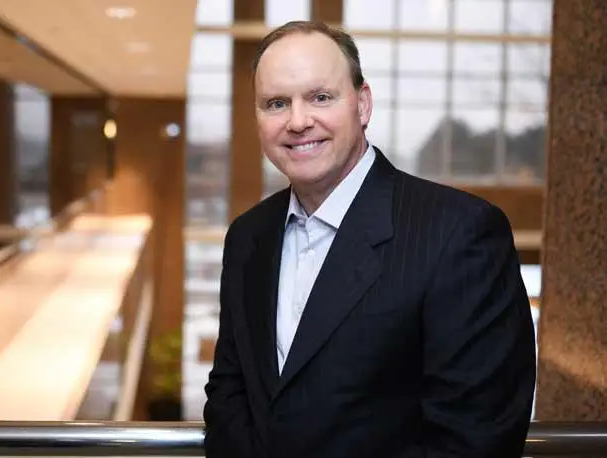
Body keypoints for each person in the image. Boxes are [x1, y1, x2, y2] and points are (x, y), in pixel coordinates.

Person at [203, 20, 536, 458]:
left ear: (362, 104)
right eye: (276, 103)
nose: (298, 121)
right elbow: (230, 391)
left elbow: (477, 435)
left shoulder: (459, 232)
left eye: (320, 97)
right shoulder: (247, 237)